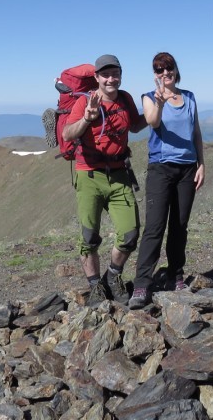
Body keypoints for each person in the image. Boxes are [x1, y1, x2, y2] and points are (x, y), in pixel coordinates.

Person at [62, 54, 148, 305]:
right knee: (89, 237)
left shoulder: (125, 99)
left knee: (130, 233)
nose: (111, 79)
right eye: (106, 75)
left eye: (115, 74)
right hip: (88, 174)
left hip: (119, 174)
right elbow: (67, 134)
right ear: (97, 78)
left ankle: (113, 275)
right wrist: (88, 118)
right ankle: (94, 285)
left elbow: (134, 126)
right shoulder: (87, 101)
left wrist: (157, 108)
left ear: (120, 75)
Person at [128, 52, 206, 309]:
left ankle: (176, 274)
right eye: (159, 70)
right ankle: (142, 283)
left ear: (175, 69)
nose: (165, 73)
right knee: (155, 226)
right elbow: (152, 121)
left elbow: (196, 131)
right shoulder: (149, 98)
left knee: (180, 225)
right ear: (154, 74)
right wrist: (160, 102)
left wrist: (201, 164)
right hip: (161, 168)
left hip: (187, 169)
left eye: (168, 68)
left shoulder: (190, 97)